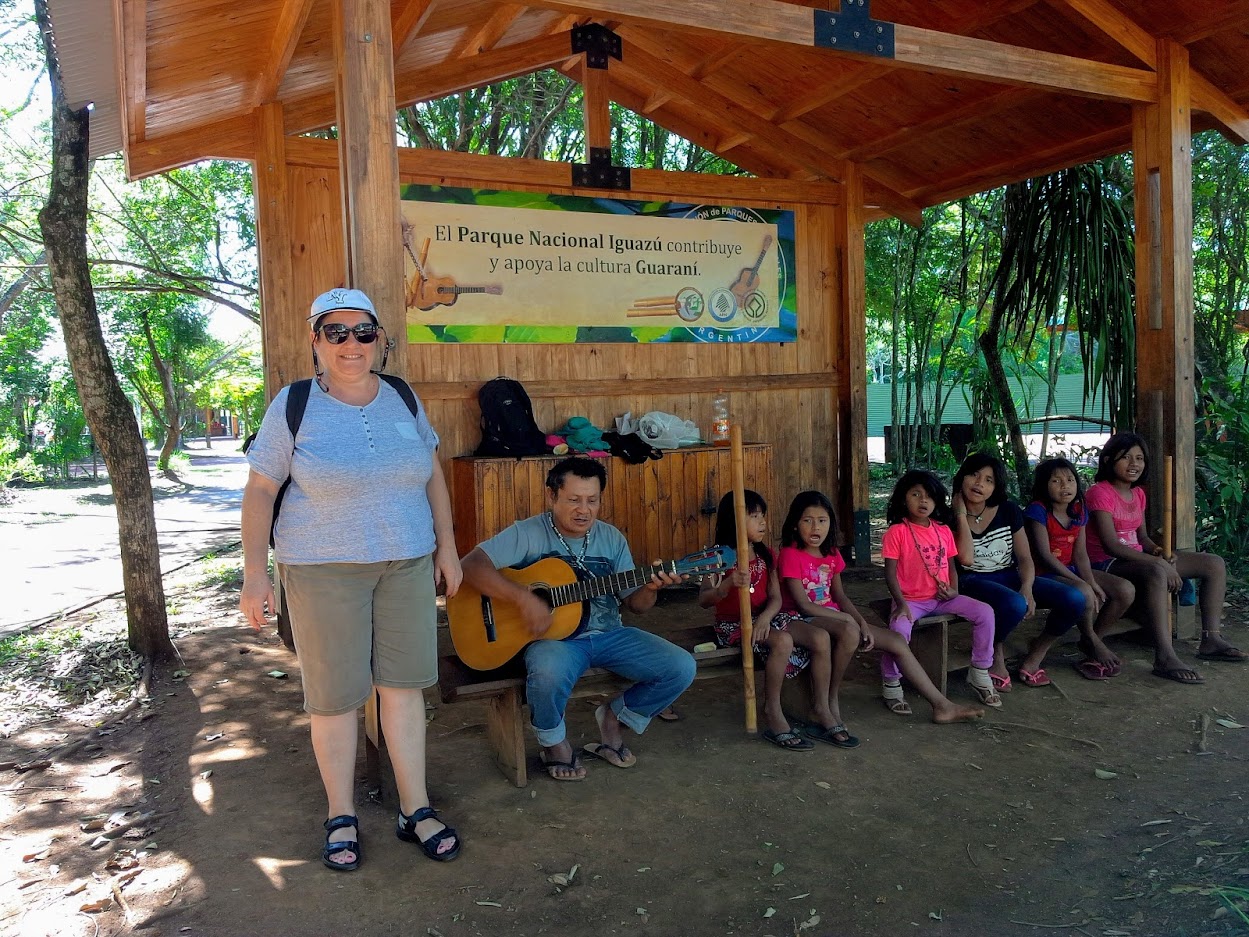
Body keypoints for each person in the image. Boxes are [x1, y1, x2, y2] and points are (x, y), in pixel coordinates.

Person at [239, 288, 462, 872]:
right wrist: (255, 575)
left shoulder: (403, 397)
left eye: (363, 332)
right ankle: (342, 813)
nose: (351, 344)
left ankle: (415, 808)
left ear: (379, 339)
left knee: (403, 686)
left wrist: (448, 547)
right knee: (336, 698)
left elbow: (431, 475)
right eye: (335, 332)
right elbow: (261, 490)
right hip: (321, 569)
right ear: (315, 341)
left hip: (407, 561)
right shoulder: (294, 405)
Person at [458, 456, 696, 781]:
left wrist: (653, 587)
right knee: (547, 673)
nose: (584, 510)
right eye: (573, 500)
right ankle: (554, 744)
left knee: (681, 667)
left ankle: (614, 717)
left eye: (592, 501)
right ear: (552, 496)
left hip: (610, 635)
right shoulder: (528, 532)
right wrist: (522, 598)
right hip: (557, 641)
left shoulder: (611, 538)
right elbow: (470, 565)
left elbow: (637, 605)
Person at [772, 490, 984, 733]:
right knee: (848, 630)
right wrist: (848, 619)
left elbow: (839, 596)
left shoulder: (831, 554)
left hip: (833, 617)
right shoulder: (790, 554)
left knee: (895, 641)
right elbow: (804, 605)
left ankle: (941, 705)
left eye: (822, 520)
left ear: (831, 524)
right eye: (807, 520)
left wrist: (860, 621)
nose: (815, 527)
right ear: (795, 524)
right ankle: (830, 701)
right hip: (801, 619)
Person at [1085, 432, 1245, 684]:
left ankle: (1211, 638)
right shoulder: (1099, 493)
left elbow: (1143, 540)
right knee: (1157, 572)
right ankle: (1165, 656)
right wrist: (1157, 563)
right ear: (1108, 460)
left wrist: (1159, 552)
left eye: (1139, 458)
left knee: (1213, 563)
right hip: (1106, 563)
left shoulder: (1137, 494)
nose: (1134, 464)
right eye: (1125, 457)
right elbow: (1112, 545)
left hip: (1137, 559)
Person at [951, 453, 1089, 689]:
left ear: (996, 486)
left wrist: (1027, 586)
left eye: (988, 480)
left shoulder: (1009, 511)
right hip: (971, 579)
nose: (979, 484)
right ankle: (996, 653)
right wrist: (960, 515)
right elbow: (962, 560)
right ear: (961, 478)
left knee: (1075, 598)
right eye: (973, 475)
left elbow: (1025, 558)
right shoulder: (947, 516)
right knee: (1015, 604)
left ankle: (1037, 652)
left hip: (1008, 575)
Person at [882, 470, 1001, 708]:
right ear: (903, 499)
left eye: (929, 496)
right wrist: (901, 603)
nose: (923, 501)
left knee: (985, 612)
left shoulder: (943, 530)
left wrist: (955, 591)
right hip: (910, 600)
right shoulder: (897, 532)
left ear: (936, 500)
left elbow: (952, 567)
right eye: (916, 494)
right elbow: (889, 573)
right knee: (898, 629)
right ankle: (891, 682)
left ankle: (979, 671)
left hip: (942, 598)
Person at [1024, 457, 1134, 680]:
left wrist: (1091, 581)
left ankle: (1090, 640)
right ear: (1044, 485)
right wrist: (1083, 583)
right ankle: (1092, 639)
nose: (1065, 486)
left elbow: (1081, 555)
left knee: (1125, 589)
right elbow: (1045, 556)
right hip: (1041, 573)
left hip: (1069, 569)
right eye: (1056, 481)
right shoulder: (1038, 511)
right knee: (1082, 592)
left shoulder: (1078, 509)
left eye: (1070, 479)